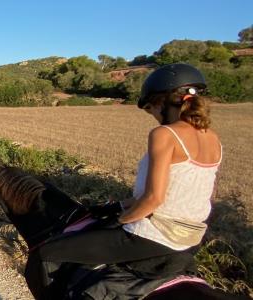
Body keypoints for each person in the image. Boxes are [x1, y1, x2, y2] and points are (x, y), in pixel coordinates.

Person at [28, 63, 222, 296]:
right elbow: (177, 194)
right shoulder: (213, 139)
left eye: (151, 108)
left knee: (46, 253)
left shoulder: (164, 134)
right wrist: (114, 206)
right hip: (190, 239)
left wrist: (122, 218)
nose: (152, 115)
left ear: (163, 101)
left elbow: (153, 198)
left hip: (153, 236)